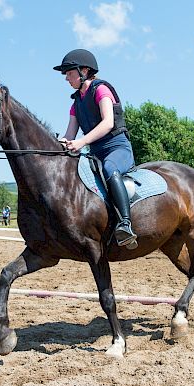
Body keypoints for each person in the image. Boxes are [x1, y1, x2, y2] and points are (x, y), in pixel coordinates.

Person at [53, 49, 137, 248]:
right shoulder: (76, 103)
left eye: (69, 73)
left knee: (109, 168)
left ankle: (125, 223)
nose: (66, 78)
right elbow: (70, 135)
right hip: (95, 153)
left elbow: (108, 123)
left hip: (117, 148)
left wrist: (82, 142)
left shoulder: (101, 90)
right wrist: (58, 144)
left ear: (84, 71)